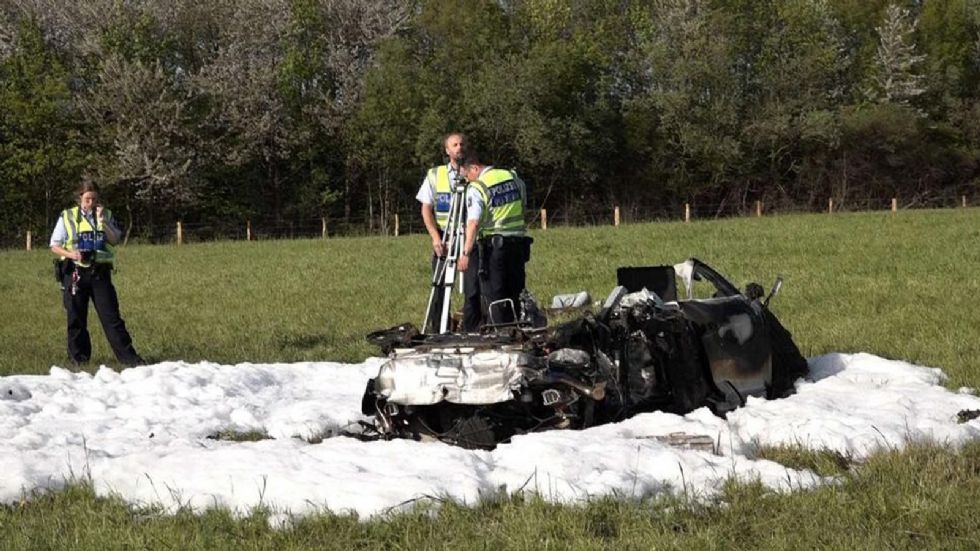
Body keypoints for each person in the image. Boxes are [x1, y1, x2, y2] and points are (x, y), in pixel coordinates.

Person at [49, 179, 144, 367]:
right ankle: (79, 360)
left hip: (100, 273)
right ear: (79, 199)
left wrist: (103, 221)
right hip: (75, 272)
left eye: (94, 199)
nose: (90, 203)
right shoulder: (67, 217)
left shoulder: (106, 214)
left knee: (112, 318)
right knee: (76, 318)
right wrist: (71, 254)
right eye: (87, 200)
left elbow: (115, 239)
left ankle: (130, 359)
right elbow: (54, 245)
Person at [456, 151, 532, 327]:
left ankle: (500, 335)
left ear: (474, 168)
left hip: (494, 247)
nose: (467, 180)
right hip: (518, 243)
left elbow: (473, 223)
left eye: (467, 175)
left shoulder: (478, 187)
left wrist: (466, 253)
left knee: (495, 295)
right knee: (516, 292)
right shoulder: (512, 177)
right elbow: (523, 205)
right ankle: (517, 329)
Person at [416, 132, 481, 331]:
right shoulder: (435, 175)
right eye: (454, 145)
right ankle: (439, 329)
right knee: (440, 289)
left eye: (462, 144)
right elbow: (426, 207)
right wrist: (436, 237)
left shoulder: (476, 173)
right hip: (446, 237)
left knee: (474, 288)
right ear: (447, 150)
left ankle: (472, 330)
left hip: (471, 237)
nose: (459, 147)